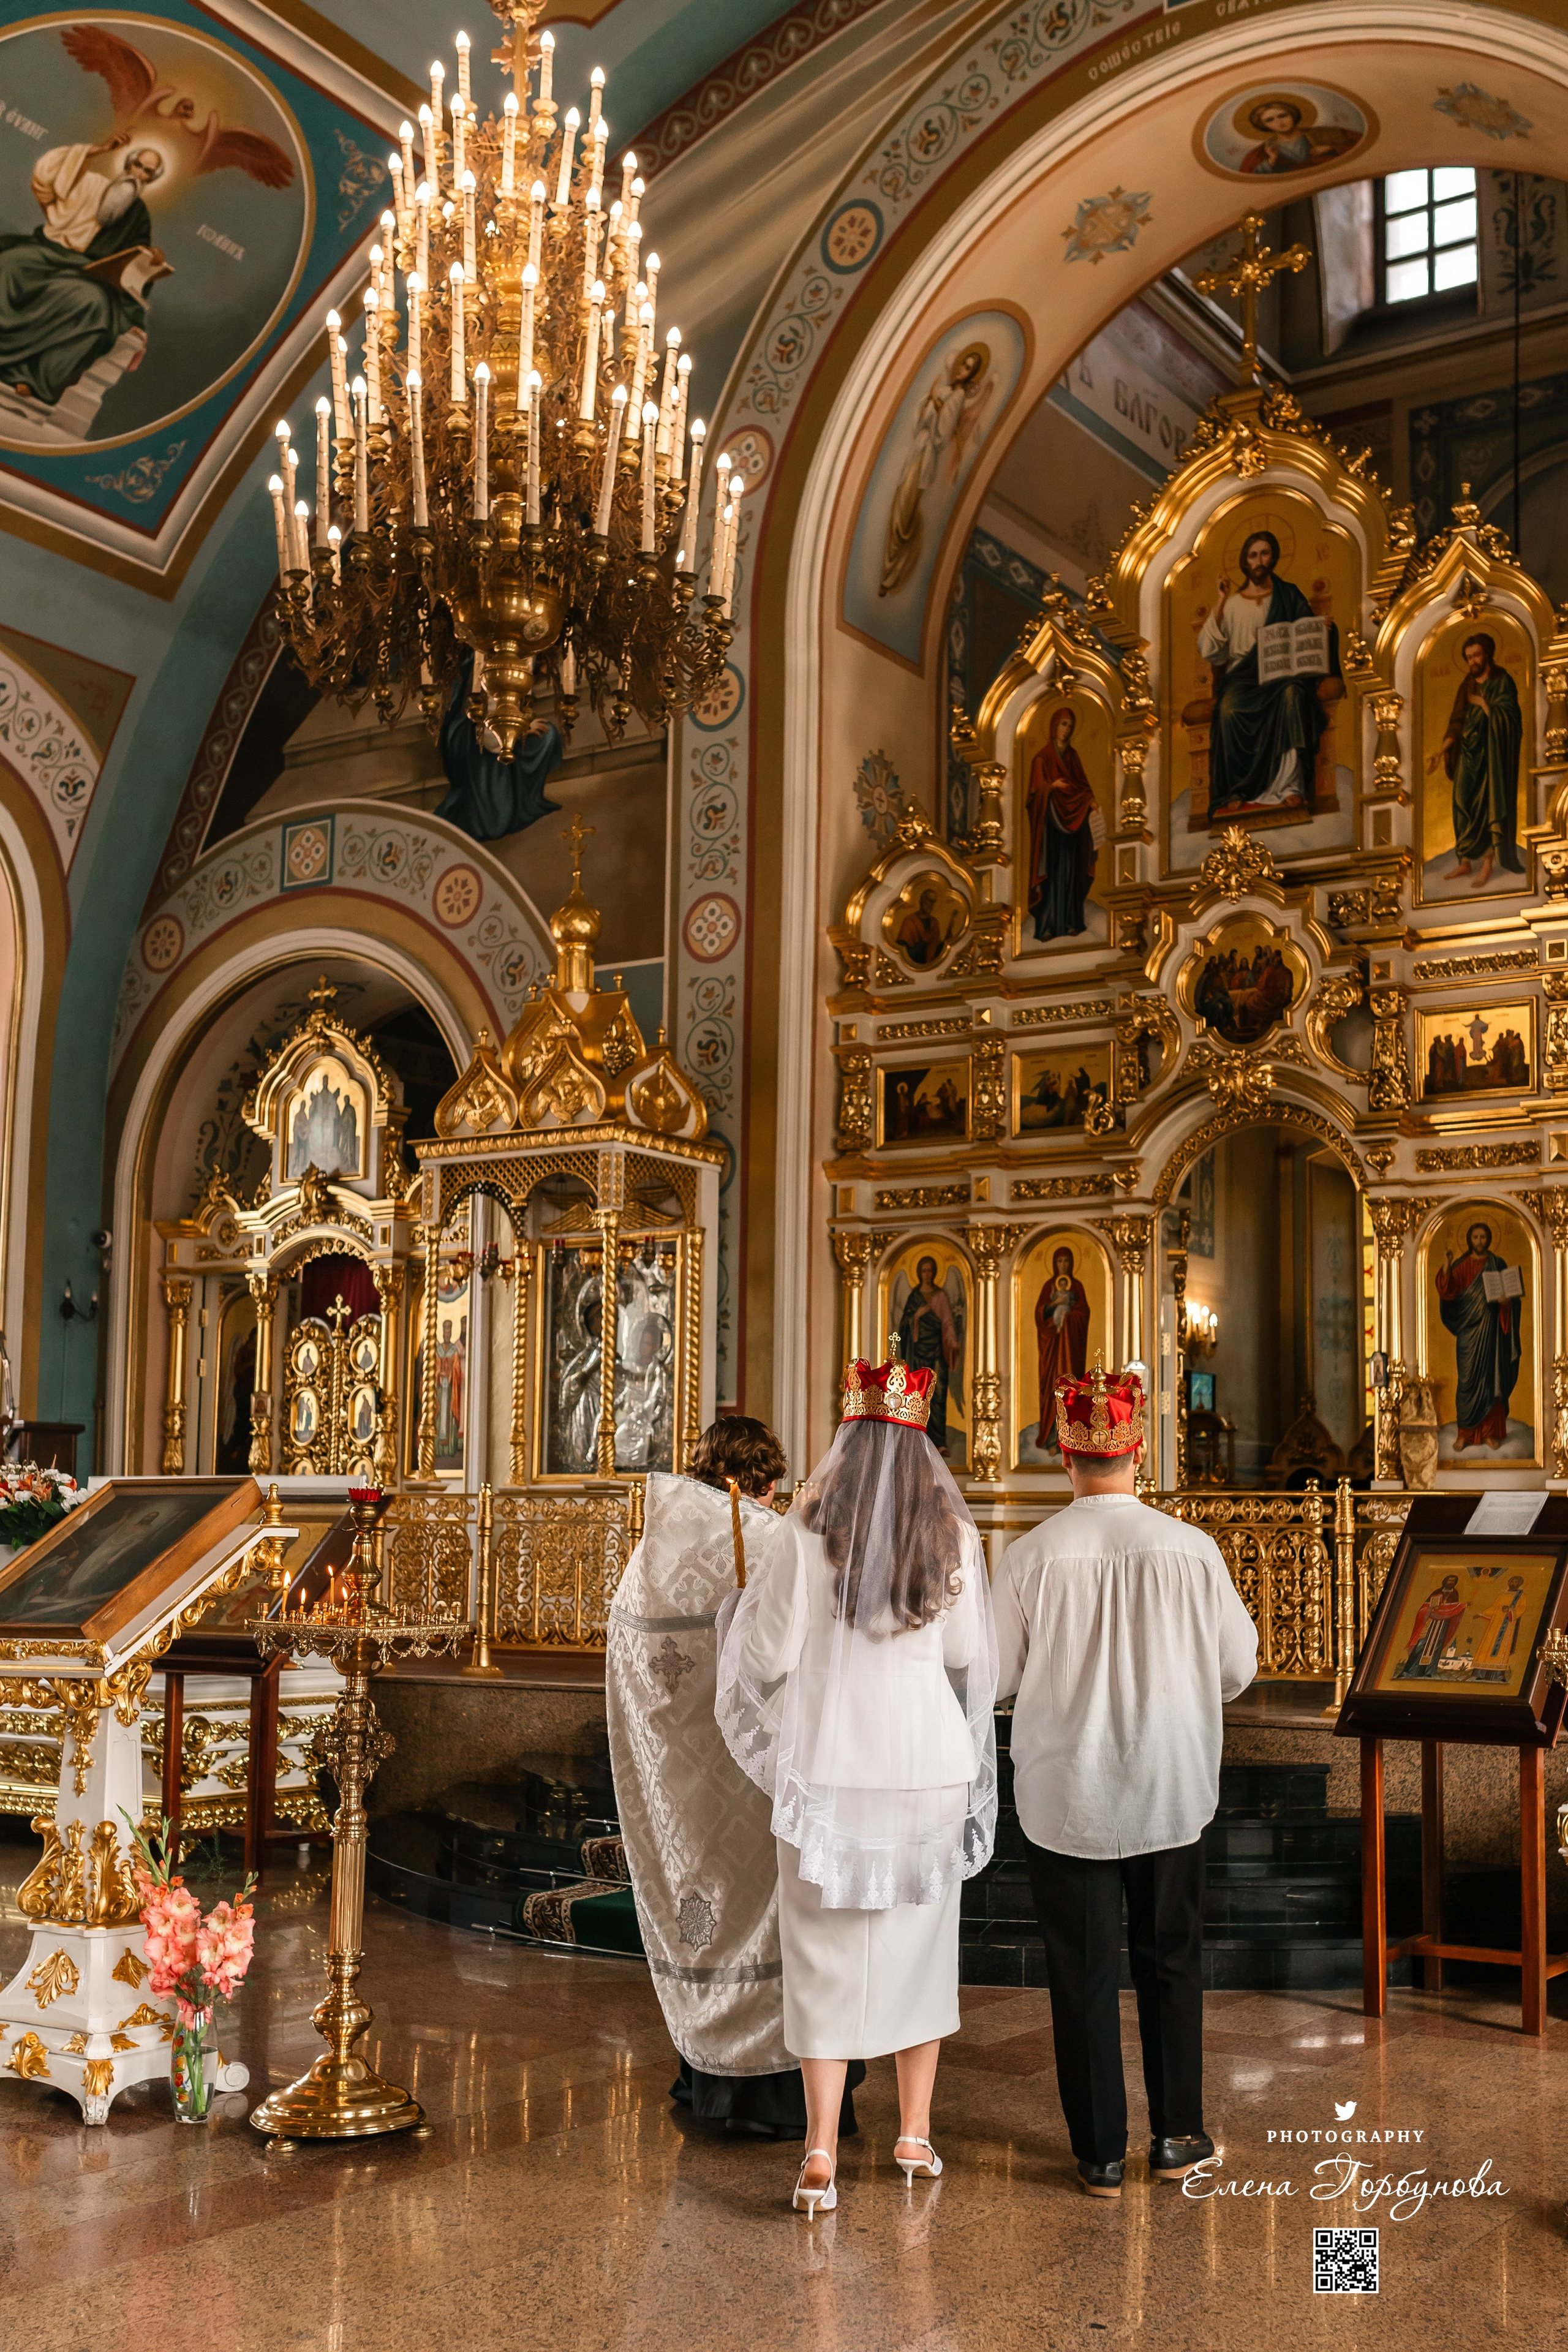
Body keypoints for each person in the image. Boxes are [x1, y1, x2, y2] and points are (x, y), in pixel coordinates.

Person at [715, 1350, 998, 2216]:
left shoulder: (804, 1532)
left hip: (834, 1764)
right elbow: (962, 1656)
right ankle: (914, 2133)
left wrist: (739, 1612)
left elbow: (765, 1657)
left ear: (846, 1437)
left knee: (824, 1955)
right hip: (926, 1766)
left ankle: (821, 2153)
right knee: (918, 1950)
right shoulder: (952, 1531)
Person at [993, 1362, 1257, 2198]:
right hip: (1169, 1781)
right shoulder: (1193, 1550)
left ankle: (1100, 2151)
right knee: (1172, 1956)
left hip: (1067, 1788)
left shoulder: (1029, 1556)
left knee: (1082, 1968)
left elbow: (996, 1681)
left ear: (1066, 1460)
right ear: (1139, 1453)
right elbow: (1236, 1669)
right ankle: (1178, 2132)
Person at [605, 1417, 864, 2142]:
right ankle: (787, 2098)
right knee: (779, 1919)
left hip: (681, 1792)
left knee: (704, 1910)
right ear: (770, 1481)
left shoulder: (650, 1554)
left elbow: (629, 1680)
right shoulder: (780, 1542)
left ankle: (705, 2078)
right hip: (761, 1782)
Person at [0, 135, 169, 409]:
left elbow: (133, 269)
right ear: (127, 164)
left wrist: (151, 260)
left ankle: (34, 378)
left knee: (92, 303)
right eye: (137, 165)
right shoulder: (91, 184)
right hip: (50, 253)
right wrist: (97, 150)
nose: (138, 174)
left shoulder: (138, 216)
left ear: (150, 180)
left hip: (90, 276)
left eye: (147, 172)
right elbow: (47, 175)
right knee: (10, 262)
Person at [1197, 530, 1335, 813]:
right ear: (1245, 563)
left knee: (1293, 697)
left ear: (1273, 558)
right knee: (1228, 711)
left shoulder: (1289, 595)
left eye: (1264, 553)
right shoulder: (1233, 604)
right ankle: (1236, 789)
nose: (1259, 561)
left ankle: (1290, 786)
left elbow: (1306, 634)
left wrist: (1321, 627)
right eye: (1253, 555)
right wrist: (1221, 601)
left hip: (1283, 675)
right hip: (1243, 679)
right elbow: (1211, 650)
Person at [1427, 633, 1525, 891]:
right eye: (1469, 657)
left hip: (1491, 756)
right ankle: (1465, 861)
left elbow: (1511, 719)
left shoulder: (1502, 681)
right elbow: (1456, 722)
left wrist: (1483, 704)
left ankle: (1487, 865)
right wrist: (1440, 752)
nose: (1473, 662)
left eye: (1477, 655)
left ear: (1488, 654)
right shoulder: (1467, 684)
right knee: (1461, 802)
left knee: (1487, 807)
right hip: (1466, 756)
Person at [1435, 1221, 1521, 1450]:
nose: (1480, 1242)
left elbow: (1511, 1298)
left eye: (1483, 1237)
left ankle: (1490, 1433)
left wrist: (1506, 1304)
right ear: (1469, 1240)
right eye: (1476, 1237)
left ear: (1489, 1239)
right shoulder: (1462, 1266)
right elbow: (1447, 1290)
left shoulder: (1497, 1263)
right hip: (1469, 1335)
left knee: (1492, 1381)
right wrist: (1447, 1263)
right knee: (1468, 1382)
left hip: (1492, 1335)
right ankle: (1465, 1433)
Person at [1026, 707, 1099, 940]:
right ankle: (1048, 925)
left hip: (1074, 832)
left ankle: (1070, 921)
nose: (1066, 730)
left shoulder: (1073, 757)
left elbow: (1082, 787)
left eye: (1070, 726)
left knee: (1071, 875)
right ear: (1054, 726)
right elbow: (1032, 797)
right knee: (1053, 875)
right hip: (1051, 833)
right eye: (1063, 724)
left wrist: (1090, 801)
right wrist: (1050, 788)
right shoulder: (1042, 759)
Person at [897, 1256, 961, 1457]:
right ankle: (918, 1439)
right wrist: (916, 1316)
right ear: (919, 1273)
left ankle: (939, 1442)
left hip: (936, 1353)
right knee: (919, 1396)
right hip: (917, 1355)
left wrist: (952, 1341)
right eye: (923, 1271)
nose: (927, 1274)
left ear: (934, 1273)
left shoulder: (940, 1296)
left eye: (930, 1271)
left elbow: (948, 1322)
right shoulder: (914, 1297)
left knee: (938, 1395)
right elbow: (904, 1324)